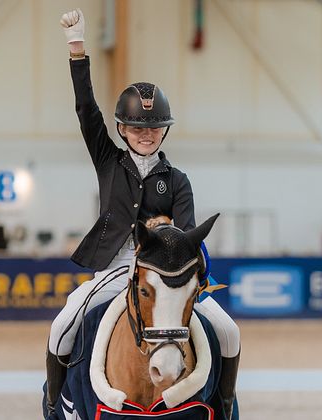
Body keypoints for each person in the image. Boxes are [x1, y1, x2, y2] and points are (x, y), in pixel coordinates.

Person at [45, 9, 240, 419]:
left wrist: (167, 238)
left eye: (153, 127)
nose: (145, 134)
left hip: (165, 276)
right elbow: (86, 110)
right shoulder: (108, 161)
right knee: (62, 326)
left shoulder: (179, 180)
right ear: (122, 129)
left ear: (164, 130)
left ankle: (223, 404)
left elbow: (187, 236)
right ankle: (55, 404)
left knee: (228, 331)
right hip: (115, 268)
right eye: (136, 127)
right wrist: (76, 47)